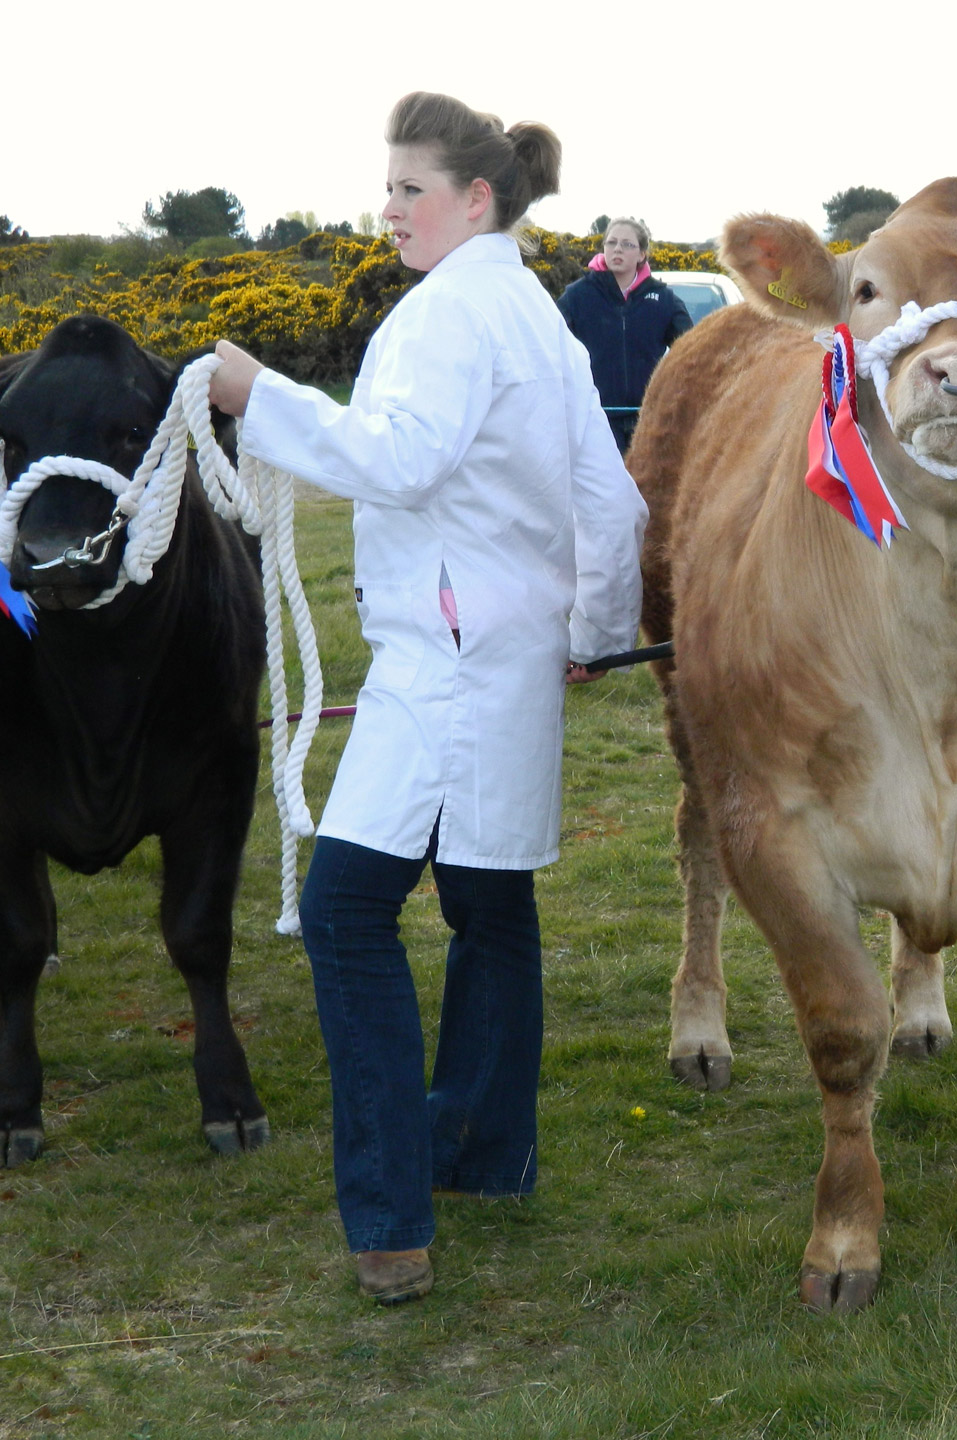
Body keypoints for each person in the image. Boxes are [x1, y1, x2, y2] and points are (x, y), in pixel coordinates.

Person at [207, 91, 645, 1306]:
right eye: (387, 185)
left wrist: (261, 396)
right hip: (500, 658)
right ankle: (481, 1157)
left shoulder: (452, 311)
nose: (387, 209)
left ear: (476, 199)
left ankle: (393, 1220)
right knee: (491, 909)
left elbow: (397, 460)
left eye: (409, 189)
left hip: (444, 666)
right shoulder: (536, 316)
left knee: (349, 916)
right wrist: (593, 638)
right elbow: (612, 510)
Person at [557, 216, 691, 455]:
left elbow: (691, 349)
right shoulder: (577, 296)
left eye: (627, 244)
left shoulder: (663, 299)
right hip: (594, 421)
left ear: (641, 254)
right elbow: (550, 347)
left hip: (649, 422)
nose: (617, 248)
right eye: (611, 243)